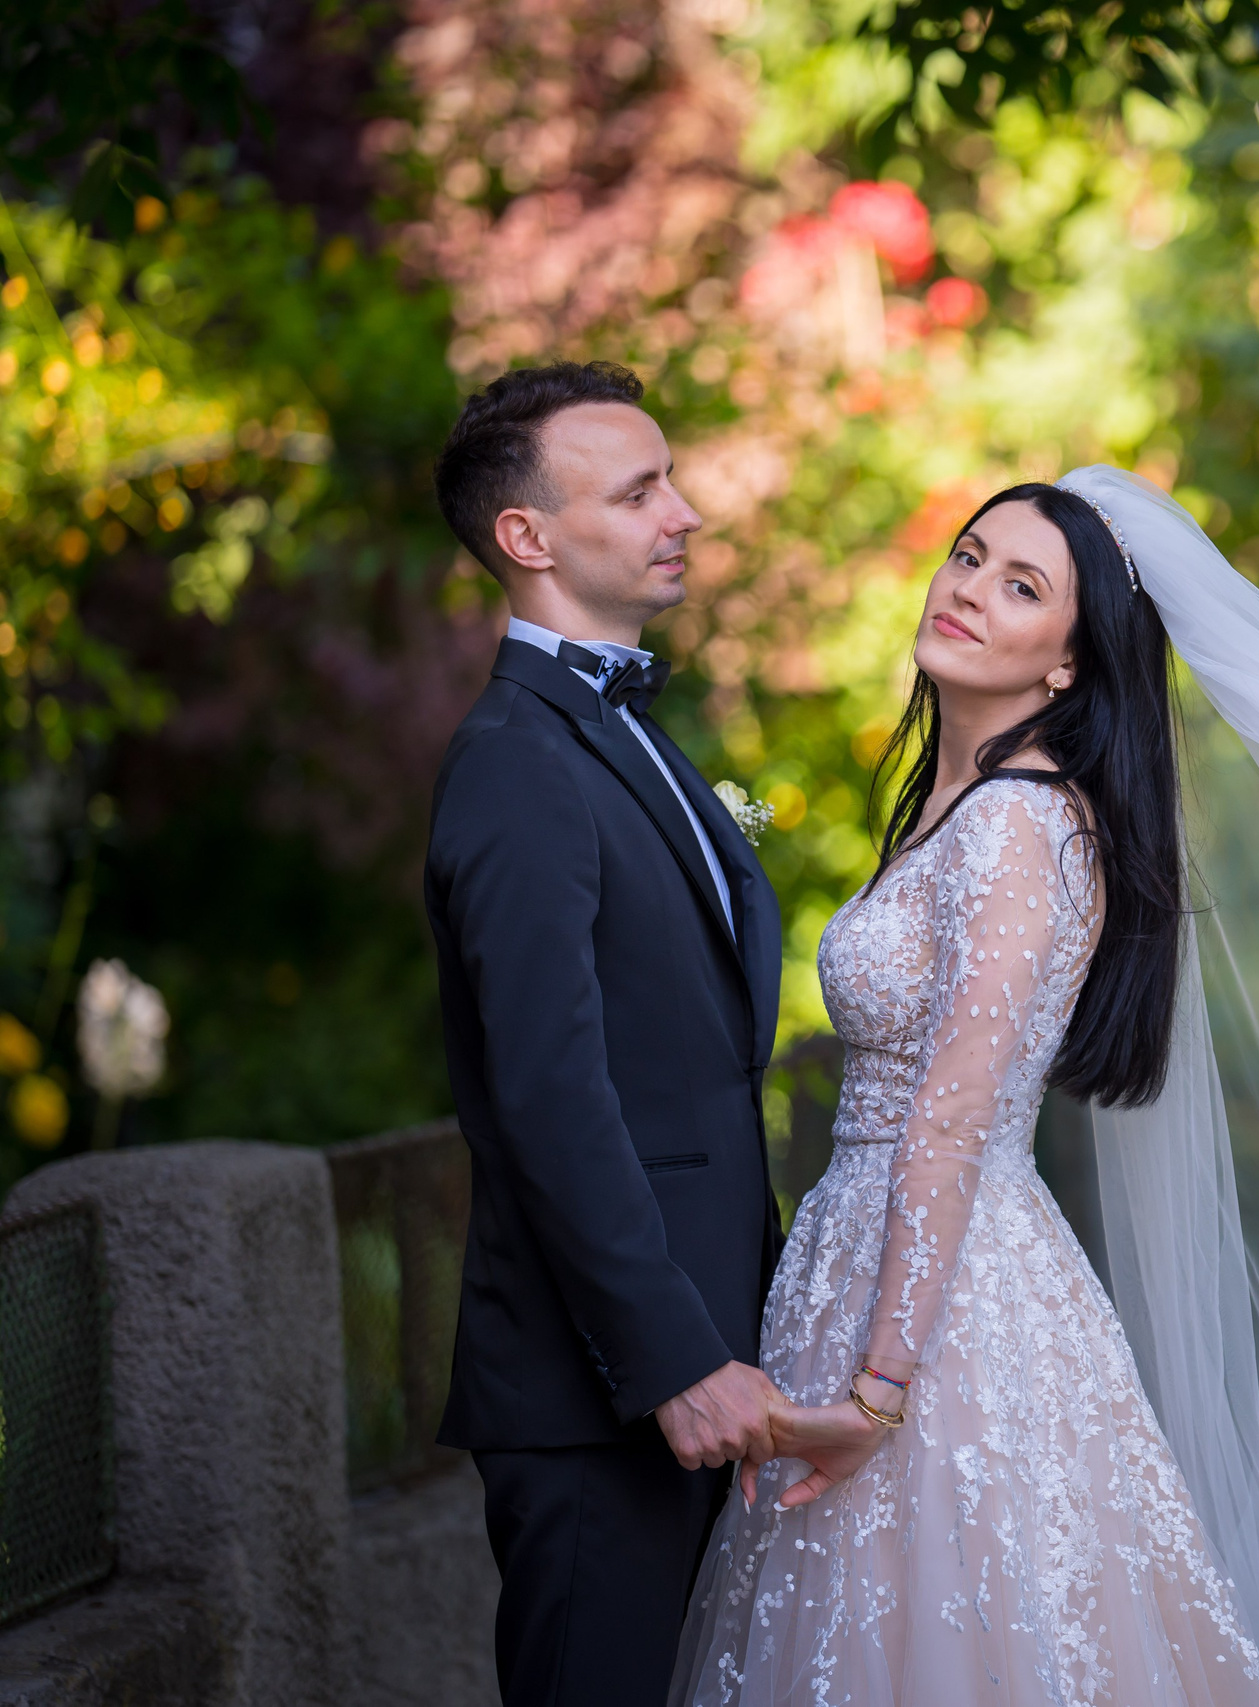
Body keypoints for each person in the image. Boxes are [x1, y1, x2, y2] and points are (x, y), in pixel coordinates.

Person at [670, 483, 1259, 1706]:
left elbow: (948, 1118)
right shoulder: (957, 809)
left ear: (1068, 662)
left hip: (941, 1306)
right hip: (881, 1253)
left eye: (1021, 586)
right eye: (967, 554)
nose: (966, 589)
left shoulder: (1019, 824)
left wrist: (878, 1396)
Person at [425, 361, 787, 1707]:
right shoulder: (519, 762)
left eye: (671, 479)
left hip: (700, 1356)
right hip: (604, 1396)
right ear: (528, 536)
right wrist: (674, 1355)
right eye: (639, 491)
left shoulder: (618, 728)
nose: (683, 511)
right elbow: (549, 1096)